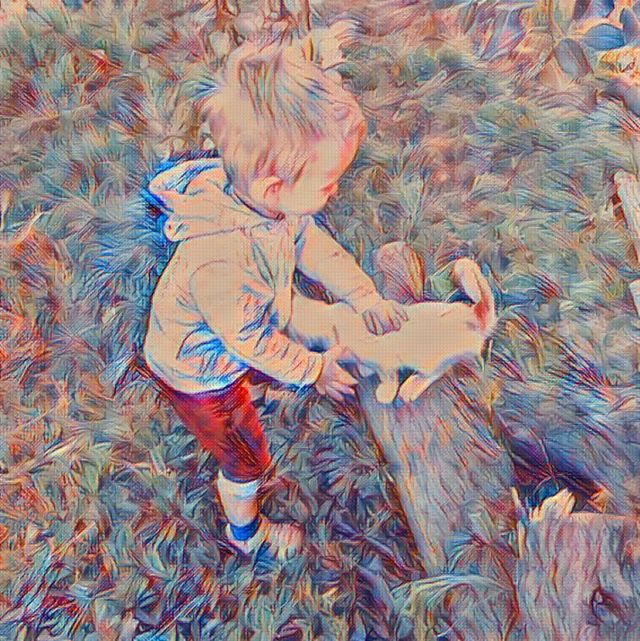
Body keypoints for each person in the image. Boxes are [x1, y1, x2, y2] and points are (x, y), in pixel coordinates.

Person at [141, 33, 408, 560]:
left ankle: (259, 389)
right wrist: (313, 369)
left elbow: (314, 248)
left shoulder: (271, 206)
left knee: (263, 357)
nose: (336, 191)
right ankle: (246, 534)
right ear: (273, 189)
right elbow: (253, 342)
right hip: (200, 371)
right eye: (328, 183)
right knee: (247, 456)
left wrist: (364, 296)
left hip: (238, 332)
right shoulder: (220, 264)